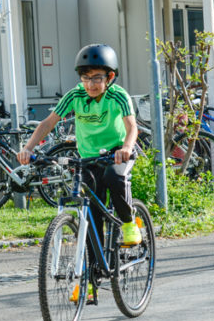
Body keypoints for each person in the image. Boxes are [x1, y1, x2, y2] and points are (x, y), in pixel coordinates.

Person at [17, 44, 141, 301]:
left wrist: (127, 147)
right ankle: (91, 280)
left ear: (109, 77)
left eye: (97, 78)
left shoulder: (118, 96)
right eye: (86, 78)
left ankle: (129, 224)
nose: (91, 84)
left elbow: (132, 128)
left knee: (114, 178)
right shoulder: (74, 95)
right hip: (88, 158)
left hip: (117, 151)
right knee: (90, 217)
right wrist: (28, 149)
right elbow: (49, 122)